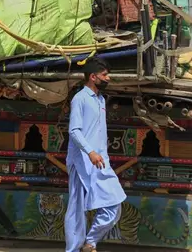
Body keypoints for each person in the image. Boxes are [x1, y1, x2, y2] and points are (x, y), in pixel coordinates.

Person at [65, 58, 126, 252]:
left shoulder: (100, 100)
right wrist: (90, 152)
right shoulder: (80, 99)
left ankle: (90, 242)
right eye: (104, 75)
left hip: (100, 162)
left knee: (114, 203)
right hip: (82, 161)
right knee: (76, 210)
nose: (108, 78)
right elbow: (74, 131)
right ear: (93, 77)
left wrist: (98, 154)